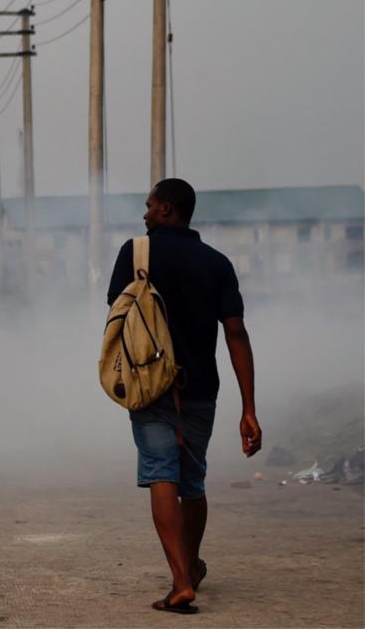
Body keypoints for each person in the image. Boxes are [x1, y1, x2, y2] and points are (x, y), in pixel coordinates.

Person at [107, 178, 261, 615]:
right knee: (192, 483)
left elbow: (117, 317)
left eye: (150, 206)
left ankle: (180, 583)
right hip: (201, 390)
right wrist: (249, 408)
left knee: (162, 476)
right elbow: (236, 333)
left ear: (168, 209)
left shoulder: (135, 254)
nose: (145, 213)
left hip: (148, 387)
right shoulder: (217, 263)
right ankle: (191, 567)